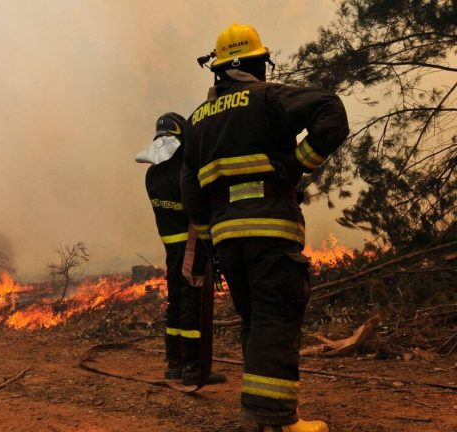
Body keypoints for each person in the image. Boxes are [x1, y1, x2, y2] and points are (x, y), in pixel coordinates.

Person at [181, 24, 349, 431]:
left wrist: (206, 248)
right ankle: (277, 421)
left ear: (218, 70)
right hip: (271, 228)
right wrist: (297, 165)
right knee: (276, 315)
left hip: (226, 238)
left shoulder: (197, 121)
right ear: (258, 63)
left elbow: (191, 190)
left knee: (255, 319)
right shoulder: (268, 97)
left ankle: (261, 415)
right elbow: (332, 115)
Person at [137, 113, 225, 386]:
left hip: (171, 248)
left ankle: (173, 363)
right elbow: (200, 205)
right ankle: (194, 368)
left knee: (175, 303)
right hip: (192, 246)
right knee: (193, 305)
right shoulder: (187, 172)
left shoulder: (152, 175)